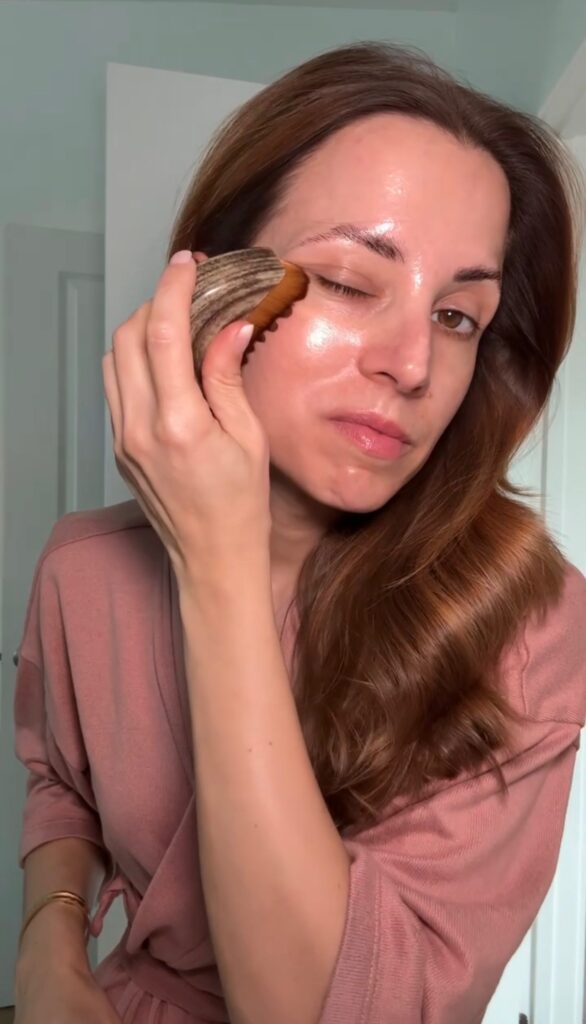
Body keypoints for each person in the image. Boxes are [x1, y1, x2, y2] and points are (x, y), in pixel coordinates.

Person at [12, 40, 586, 1024]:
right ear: (208, 287)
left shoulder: (530, 625)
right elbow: (59, 779)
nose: (412, 363)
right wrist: (50, 933)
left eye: (456, 315)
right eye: (353, 282)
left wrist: (217, 565)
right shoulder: (83, 567)